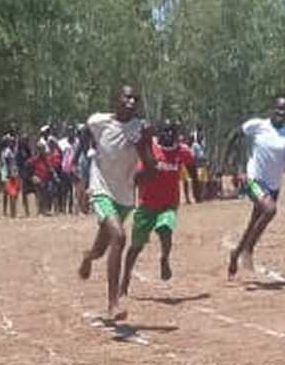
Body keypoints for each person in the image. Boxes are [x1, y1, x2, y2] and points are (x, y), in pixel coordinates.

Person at [75, 83, 153, 323]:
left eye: (135, 99)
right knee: (119, 237)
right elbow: (84, 138)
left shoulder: (141, 128)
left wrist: (142, 150)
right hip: (101, 189)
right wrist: (81, 176)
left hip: (125, 195)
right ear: (116, 99)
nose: (131, 102)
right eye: (127, 97)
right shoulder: (99, 122)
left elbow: (150, 165)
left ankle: (88, 257)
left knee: (101, 249)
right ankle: (113, 304)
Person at [225, 94, 285, 278]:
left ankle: (236, 254)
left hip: (273, 186)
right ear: (272, 109)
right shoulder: (258, 126)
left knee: (254, 223)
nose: (281, 112)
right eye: (278, 108)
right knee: (270, 210)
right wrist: (228, 165)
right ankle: (248, 250)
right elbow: (235, 135)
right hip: (254, 179)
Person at [121, 118, 195, 296]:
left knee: (165, 229)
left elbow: (192, 165)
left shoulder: (182, 151)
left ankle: (165, 258)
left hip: (168, 204)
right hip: (147, 205)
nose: (168, 135)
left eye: (172, 132)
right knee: (136, 247)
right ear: (158, 133)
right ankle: (124, 280)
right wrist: (149, 168)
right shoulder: (150, 150)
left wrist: (198, 188)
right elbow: (136, 178)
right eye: (165, 131)